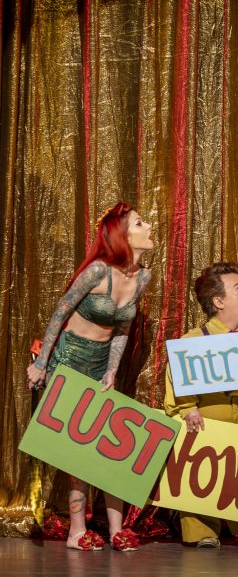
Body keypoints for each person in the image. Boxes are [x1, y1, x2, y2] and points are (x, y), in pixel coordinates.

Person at [25, 202, 154, 551]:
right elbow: (59, 313)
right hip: (69, 358)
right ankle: (77, 530)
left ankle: (115, 531)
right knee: (78, 450)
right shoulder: (98, 271)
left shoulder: (143, 277)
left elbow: (123, 327)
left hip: (100, 363)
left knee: (108, 445)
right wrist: (43, 363)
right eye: (140, 223)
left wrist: (112, 370)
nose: (149, 226)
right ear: (122, 236)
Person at [163, 262, 238, 548]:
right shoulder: (194, 340)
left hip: (237, 420)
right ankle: (202, 531)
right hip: (204, 422)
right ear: (219, 301)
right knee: (200, 474)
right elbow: (177, 379)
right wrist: (189, 409)